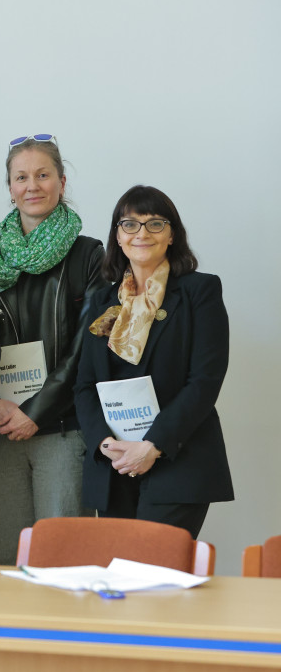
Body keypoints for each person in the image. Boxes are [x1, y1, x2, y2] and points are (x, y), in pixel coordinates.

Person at [0, 135, 105, 565]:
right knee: (6, 562)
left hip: (63, 429)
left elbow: (88, 346)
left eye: (43, 175)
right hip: (1, 429)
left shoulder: (90, 255)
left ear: (61, 183)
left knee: (64, 563)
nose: (32, 185)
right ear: (10, 188)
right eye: (22, 177)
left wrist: (36, 411)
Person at [74, 185, 233, 536]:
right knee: (117, 568)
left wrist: (153, 446)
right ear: (118, 236)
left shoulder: (200, 291)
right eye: (130, 224)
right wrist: (104, 444)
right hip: (114, 463)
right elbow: (84, 386)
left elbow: (204, 381)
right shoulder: (101, 301)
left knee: (154, 567)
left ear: (172, 234)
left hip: (177, 459)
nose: (142, 233)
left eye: (155, 224)